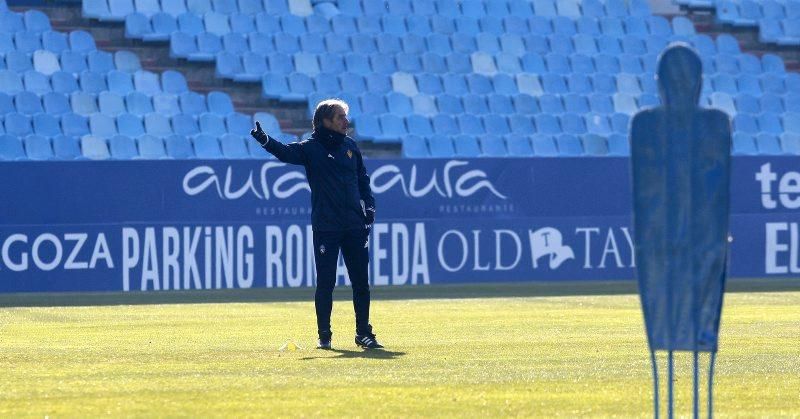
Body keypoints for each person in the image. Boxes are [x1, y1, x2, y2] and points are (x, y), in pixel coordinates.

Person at [250, 99, 383, 350]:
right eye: (341, 117)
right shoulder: (311, 148)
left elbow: (363, 180)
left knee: (361, 282)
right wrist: (265, 140)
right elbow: (286, 153)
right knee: (326, 282)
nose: (346, 121)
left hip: (355, 224)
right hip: (327, 226)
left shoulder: (350, 146)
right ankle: (324, 336)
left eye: (346, 116)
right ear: (326, 121)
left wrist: (370, 205)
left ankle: (364, 333)